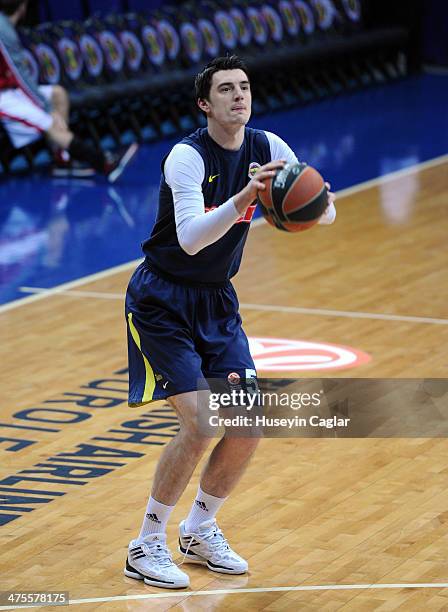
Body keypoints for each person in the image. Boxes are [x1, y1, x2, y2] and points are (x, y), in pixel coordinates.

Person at [124, 54, 336, 589]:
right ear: (205, 102)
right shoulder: (187, 157)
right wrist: (247, 197)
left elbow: (326, 210)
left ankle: (199, 529)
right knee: (200, 424)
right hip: (162, 301)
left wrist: (301, 197)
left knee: (248, 421)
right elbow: (192, 237)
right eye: (226, 89)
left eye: (244, 87)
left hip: (217, 301)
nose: (239, 96)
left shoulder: (268, 147)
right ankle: (145, 544)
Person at [0, 0, 137, 181]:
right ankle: (103, 161)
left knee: (58, 94)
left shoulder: (6, 25)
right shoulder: (2, 30)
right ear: (23, 6)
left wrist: (46, 103)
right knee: (47, 121)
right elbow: (20, 75)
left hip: (11, 90)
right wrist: (46, 107)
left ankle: (61, 160)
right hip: (4, 96)